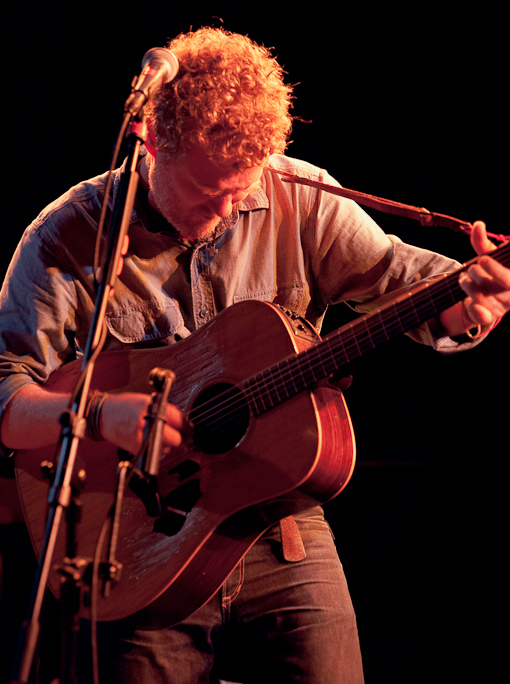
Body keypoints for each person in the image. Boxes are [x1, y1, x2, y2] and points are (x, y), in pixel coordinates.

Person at [1, 27, 509, 684]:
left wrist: (467, 306)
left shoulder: (297, 193)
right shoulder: (70, 233)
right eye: (208, 193)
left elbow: (409, 281)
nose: (225, 213)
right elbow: (7, 392)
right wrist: (101, 415)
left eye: (241, 192)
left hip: (280, 525)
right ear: (150, 141)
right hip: (136, 547)